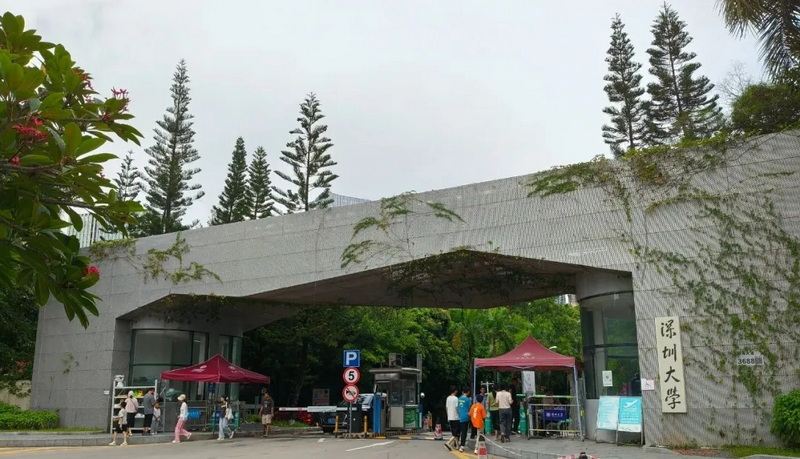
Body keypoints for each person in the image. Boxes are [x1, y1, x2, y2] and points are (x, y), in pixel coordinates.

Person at [444, 386, 460, 451]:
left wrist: (448, 416)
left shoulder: (448, 398)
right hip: (455, 417)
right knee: (456, 432)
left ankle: (457, 446)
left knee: (454, 432)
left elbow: (447, 407)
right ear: (455, 391)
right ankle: (448, 443)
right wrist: (459, 414)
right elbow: (457, 407)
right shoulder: (456, 398)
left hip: (450, 417)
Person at [457, 388, 471, 452]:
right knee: (464, 432)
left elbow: (457, 408)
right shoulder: (468, 399)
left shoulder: (459, 399)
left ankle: (457, 444)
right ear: (468, 392)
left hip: (459, 416)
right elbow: (469, 408)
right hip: (465, 417)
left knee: (459, 431)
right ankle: (462, 446)